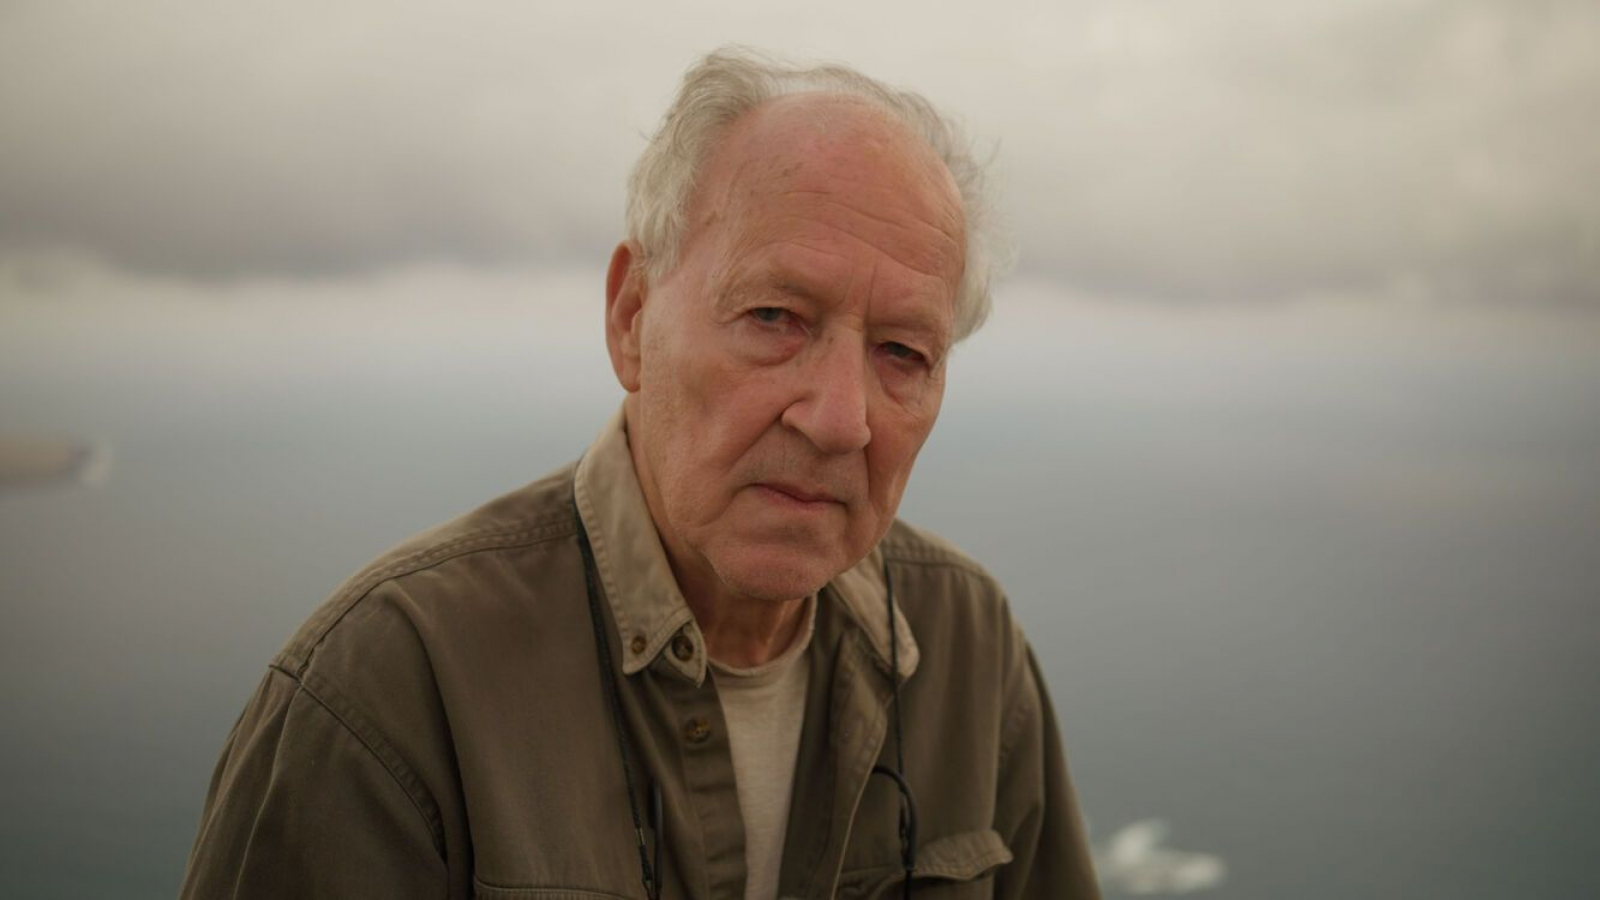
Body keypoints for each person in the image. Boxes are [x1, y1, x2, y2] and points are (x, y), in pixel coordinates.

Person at [180, 48, 1101, 900]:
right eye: (775, 317)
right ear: (632, 317)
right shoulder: (390, 686)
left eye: (903, 352)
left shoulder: (970, 647)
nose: (839, 418)